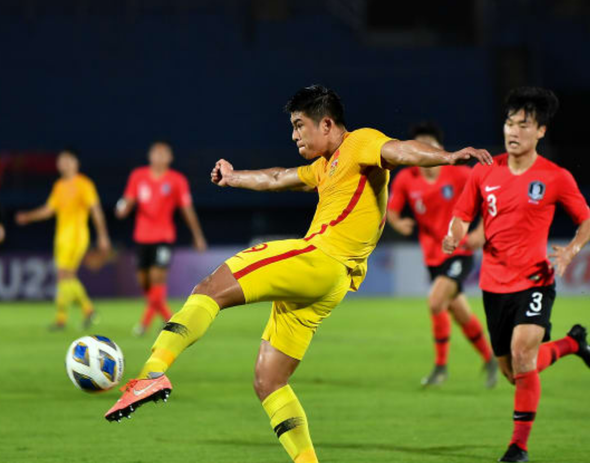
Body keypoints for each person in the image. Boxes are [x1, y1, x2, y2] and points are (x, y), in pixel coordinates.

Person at [104, 85, 493, 463]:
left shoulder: (359, 143)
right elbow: (278, 177)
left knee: (211, 287)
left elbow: (400, 150)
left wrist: (449, 157)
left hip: (320, 258)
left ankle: (152, 372)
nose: (293, 135)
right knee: (269, 381)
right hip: (331, 283)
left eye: (298, 125)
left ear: (326, 124)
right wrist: (234, 176)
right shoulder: (326, 167)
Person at [443, 87, 590, 462]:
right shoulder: (484, 170)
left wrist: (572, 250)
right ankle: (572, 344)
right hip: (493, 285)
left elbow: (588, 220)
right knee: (515, 371)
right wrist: (453, 235)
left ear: (541, 132)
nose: (513, 131)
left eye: (523, 125)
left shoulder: (555, 177)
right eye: (509, 123)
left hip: (535, 280)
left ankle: (518, 447)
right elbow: (463, 215)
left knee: (522, 353)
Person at [387, 121, 497, 388]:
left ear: (440, 149)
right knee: (459, 313)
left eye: (430, 145)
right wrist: (398, 223)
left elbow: (489, 201)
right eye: (420, 146)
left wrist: (481, 232)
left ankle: (440, 367)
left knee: (436, 301)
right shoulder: (406, 178)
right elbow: (391, 210)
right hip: (433, 256)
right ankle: (490, 359)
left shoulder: (459, 175)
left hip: (459, 251)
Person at [115, 141, 207, 336]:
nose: (159, 156)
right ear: (150, 156)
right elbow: (129, 199)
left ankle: (150, 323)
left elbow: (186, 209)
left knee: (157, 278)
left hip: (164, 237)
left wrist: (197, 235)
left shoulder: (176, 180)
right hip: (142, 237)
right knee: (144, 282)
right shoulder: (138, 176)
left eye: (163, 153)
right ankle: (169, 318)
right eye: (156, 153)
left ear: (170, 158)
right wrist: (122, 208)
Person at [16, 149, 111, 329]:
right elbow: (48, 210)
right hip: (61, 237)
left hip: (76, 236)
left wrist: (103, 235)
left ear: (76, 163)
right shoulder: (59, 186)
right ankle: (86, 311)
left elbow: (95, 210)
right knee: (65, 277)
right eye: (61, 160)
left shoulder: (84, 184)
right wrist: (28, 216)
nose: (64, 163)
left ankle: (65, 317)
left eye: (68, 160)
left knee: (64, 275)